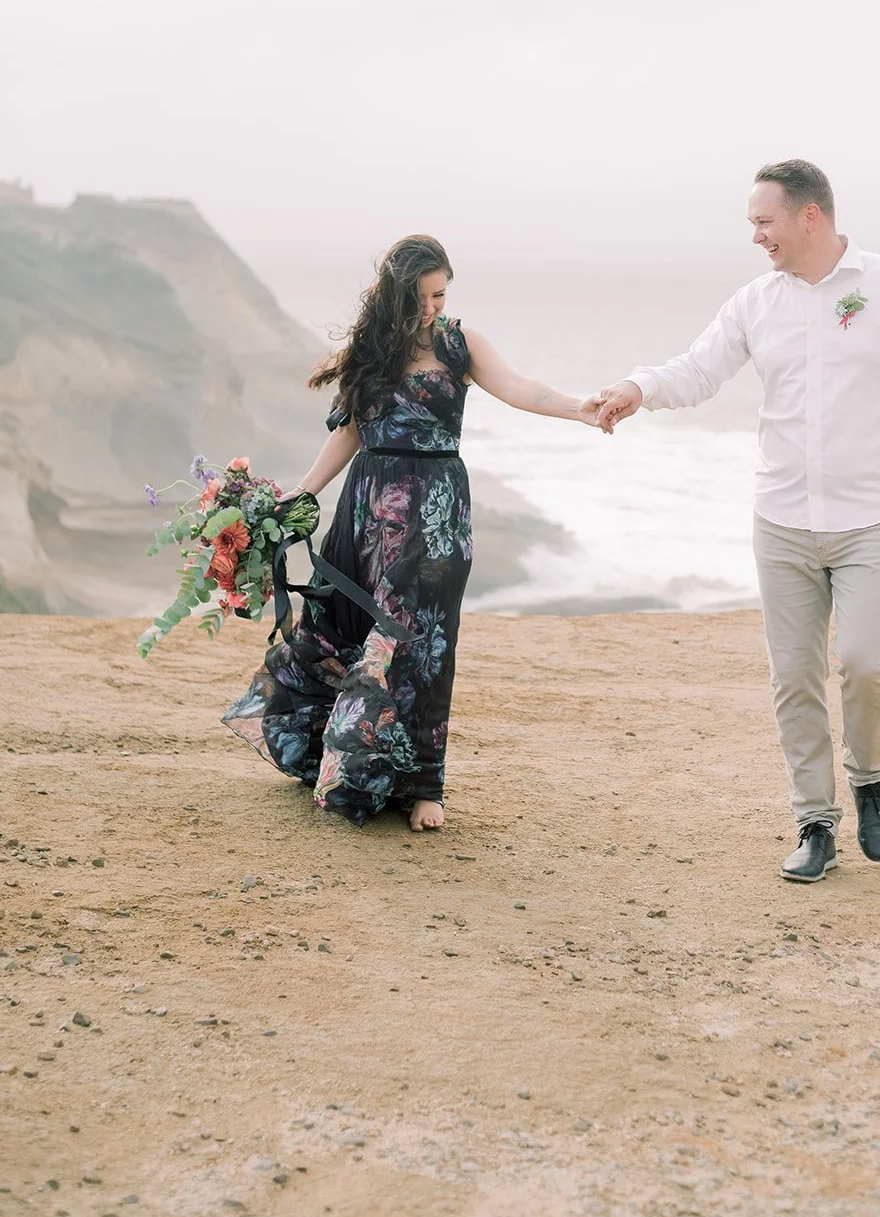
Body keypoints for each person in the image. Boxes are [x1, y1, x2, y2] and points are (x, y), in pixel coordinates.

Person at [595, 160, 880, 883]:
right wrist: (639, 387)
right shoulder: (754, 302)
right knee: (792, 677)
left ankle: (868, 779)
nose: (756, 236)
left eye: (763, 222)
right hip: (780, 520)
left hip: (871, 517)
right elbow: (699, 368)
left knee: (866, 661)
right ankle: (814, 822)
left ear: (810, 216)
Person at [223, 234, 600, 832]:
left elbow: (520, 387)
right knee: (343, 629)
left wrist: (581, 407)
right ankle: (341, 762)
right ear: (396, 295)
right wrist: (307, 489)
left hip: (434, 515)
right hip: (365, 511)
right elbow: (349, 431)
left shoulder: (459, 343)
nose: (434, 308)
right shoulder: (369, 350)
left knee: (423, 646)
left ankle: (426, 784)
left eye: (441, 294)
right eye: (423, 297)